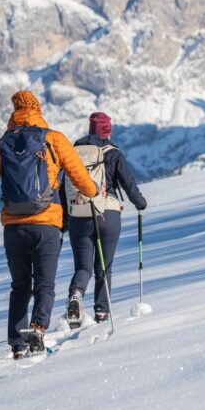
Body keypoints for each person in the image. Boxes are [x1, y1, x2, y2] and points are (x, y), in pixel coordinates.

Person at [0, 90, 99, 359]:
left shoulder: (0, 145)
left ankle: (18, 345)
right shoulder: (53, 138)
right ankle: (38, 329)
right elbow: (78, 174)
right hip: (46, 223)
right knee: (44, 284)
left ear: (14, 112)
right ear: (37, 110)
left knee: (20, 286)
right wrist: (93, 191)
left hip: (14, 227)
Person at [62, 111, 148, 325]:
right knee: (104, 266)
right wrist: (140, 202)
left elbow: (63, 189)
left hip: (79, 215)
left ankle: (76, 295)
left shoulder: (74, 153)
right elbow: (129, 184)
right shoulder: (114, 153)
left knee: (83, 267)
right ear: (108, 131)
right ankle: (102, 310)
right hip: (107, 214)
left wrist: (65, 220)